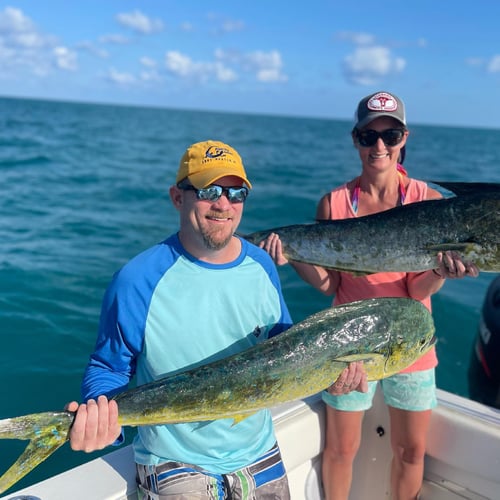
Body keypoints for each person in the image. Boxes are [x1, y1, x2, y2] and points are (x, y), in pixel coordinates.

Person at [66, 139, 364, 500]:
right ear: (178, 197)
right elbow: (108, 366)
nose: (224, 204)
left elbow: (284, 352)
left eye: (236, 193)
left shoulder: (263, 265)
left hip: (259, 451)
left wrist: (329, 376)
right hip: (173, 461)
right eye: (209, 190)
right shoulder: (136, 279)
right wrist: (101, 418)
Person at [260, 91, 479, 500]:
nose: (379, 145)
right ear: (355, 138)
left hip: (411, 342)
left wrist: (439, 272)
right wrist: (291, 256)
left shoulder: (429, 202)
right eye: (368, 136)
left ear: (403, 138)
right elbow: (331, 284)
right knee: (341, 449)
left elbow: (416, 289)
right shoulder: (334, 202)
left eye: (389, 134)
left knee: (410, 451)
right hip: (347, 341)